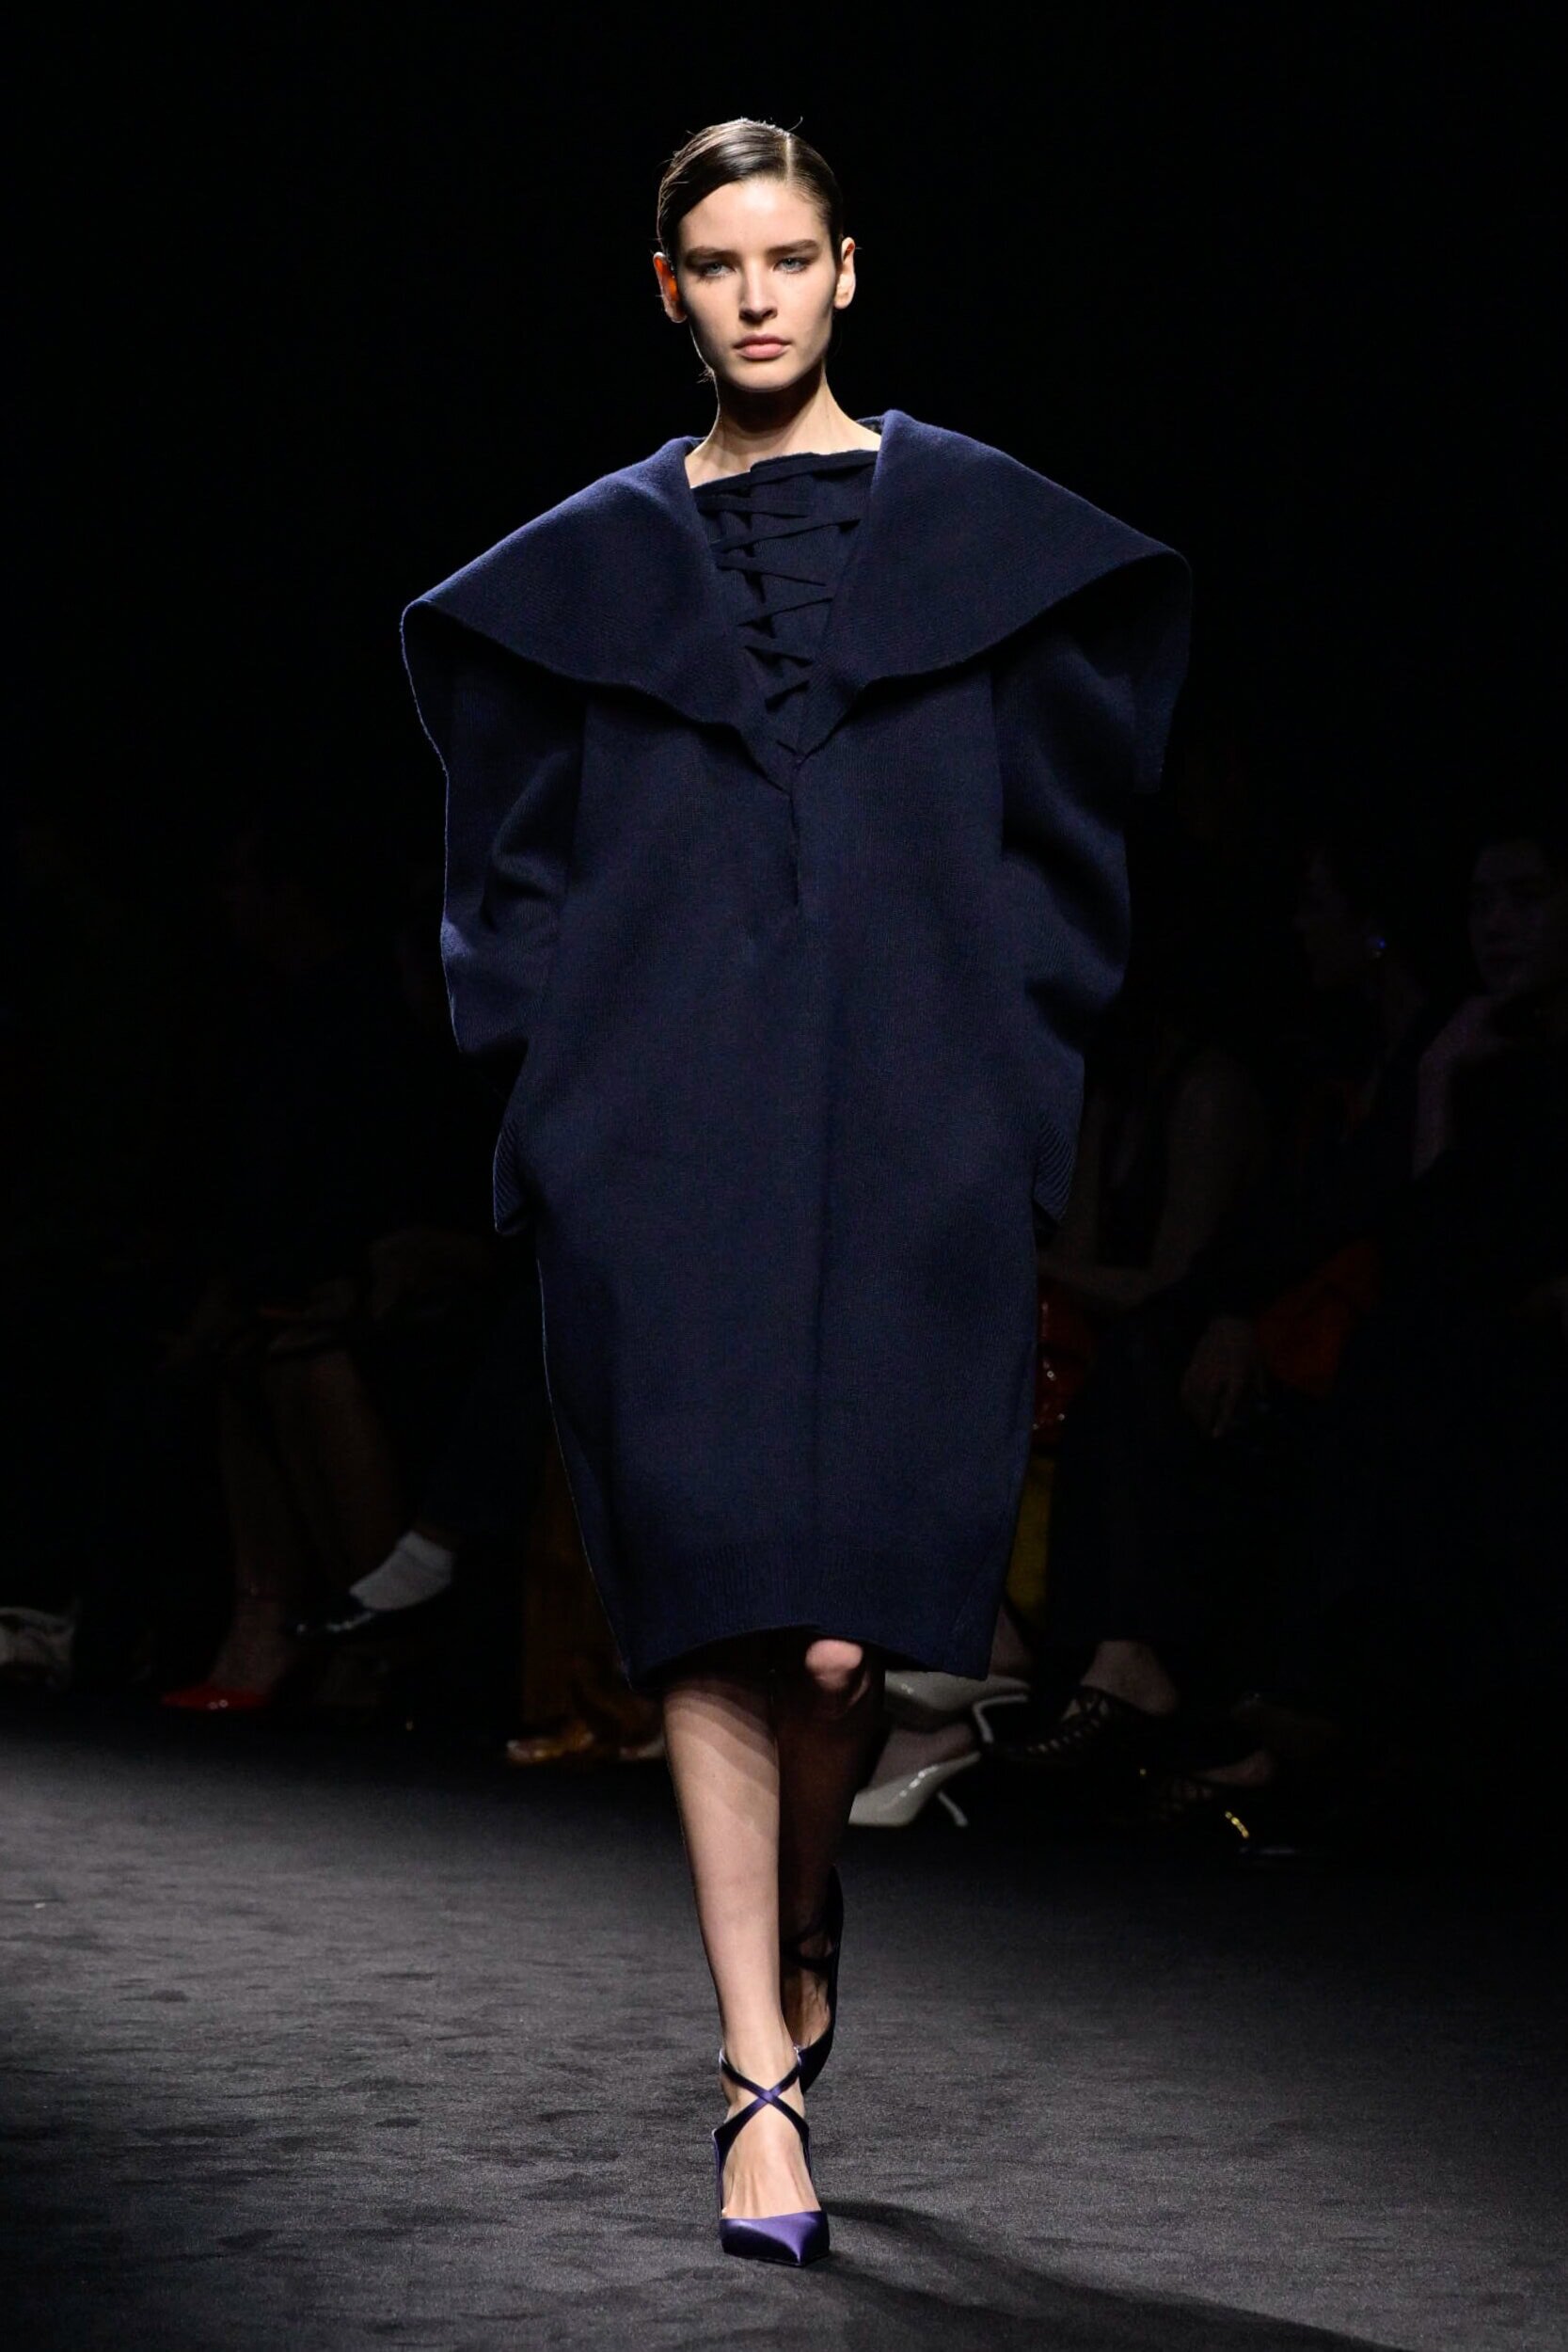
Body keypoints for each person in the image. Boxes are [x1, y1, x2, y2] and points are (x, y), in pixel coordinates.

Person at [402, 119, 1189, 2263]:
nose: (757, 296)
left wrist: (1012, 1076)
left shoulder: (988, 537)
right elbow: (508, 858)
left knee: (845, 1649)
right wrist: (554, 1081)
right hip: (662, 1135)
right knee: (709, 1601)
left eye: (790, 257)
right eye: (717, 264)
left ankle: (811, 1904)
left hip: (916, 1126)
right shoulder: (589, 564)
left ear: (850, 273)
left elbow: (1067, 851)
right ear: (669, 291)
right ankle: (760, 2071)